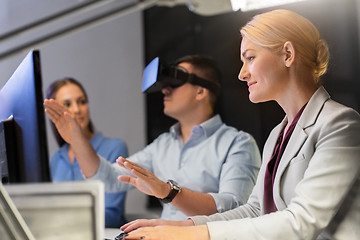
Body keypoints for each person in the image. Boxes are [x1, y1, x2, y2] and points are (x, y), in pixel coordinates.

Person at [118, 9, 360, 240]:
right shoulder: (279, 134)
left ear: (287, 54)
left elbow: (302, 221)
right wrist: (177, 226)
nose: (242, 73)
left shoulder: (340, 124)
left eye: (250, 58)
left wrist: (189, 234)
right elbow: (255, 210)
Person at [44, 55, 262, 221]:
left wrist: (168, 192)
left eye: (175, 81)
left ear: (200, 92)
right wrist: (77, 138)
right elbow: (109, 179)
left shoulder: (238, 144)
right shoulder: (162, 145)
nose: (165, 89)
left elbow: (235, 210)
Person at [46, 77, 129, 228]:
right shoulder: (56, 159)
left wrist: (59, 220)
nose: (77, 109)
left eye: (82, 101)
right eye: (67, 104)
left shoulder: (115, 148)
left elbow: (112, 215)